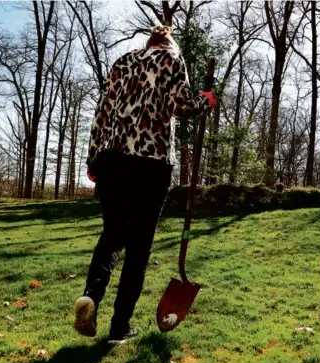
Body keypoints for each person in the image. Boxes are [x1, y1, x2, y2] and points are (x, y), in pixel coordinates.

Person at [73, 25, 217, 344]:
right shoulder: (171, 60)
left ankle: (90, 297)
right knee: (139, 247)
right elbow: (182, 105)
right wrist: (206, 99)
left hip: (113, 159)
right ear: (168, 43)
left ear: (148, 42)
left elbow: (101, 114)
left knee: (112, 236)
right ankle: (119, 326)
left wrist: (93, 161)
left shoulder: (123, 62)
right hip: (151, 163)